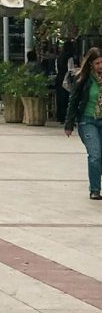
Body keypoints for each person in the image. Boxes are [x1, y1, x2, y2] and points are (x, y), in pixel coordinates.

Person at [64, 47, 102, 199]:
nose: (100, 66)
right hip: (88, 121)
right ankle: (95, 190)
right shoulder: (83, 79)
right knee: (95, 154)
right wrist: (69, 123)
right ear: (91, 64)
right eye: (97, 63)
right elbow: (73, 101)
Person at [57, 39, 78, 124]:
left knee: (59, 98)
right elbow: (71, 70)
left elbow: (56, 68)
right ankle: (66, 116)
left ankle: (60, 116)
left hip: (59, 77)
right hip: (66, 79)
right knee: (67, 98)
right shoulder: (69, 57)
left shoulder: (60, 57)